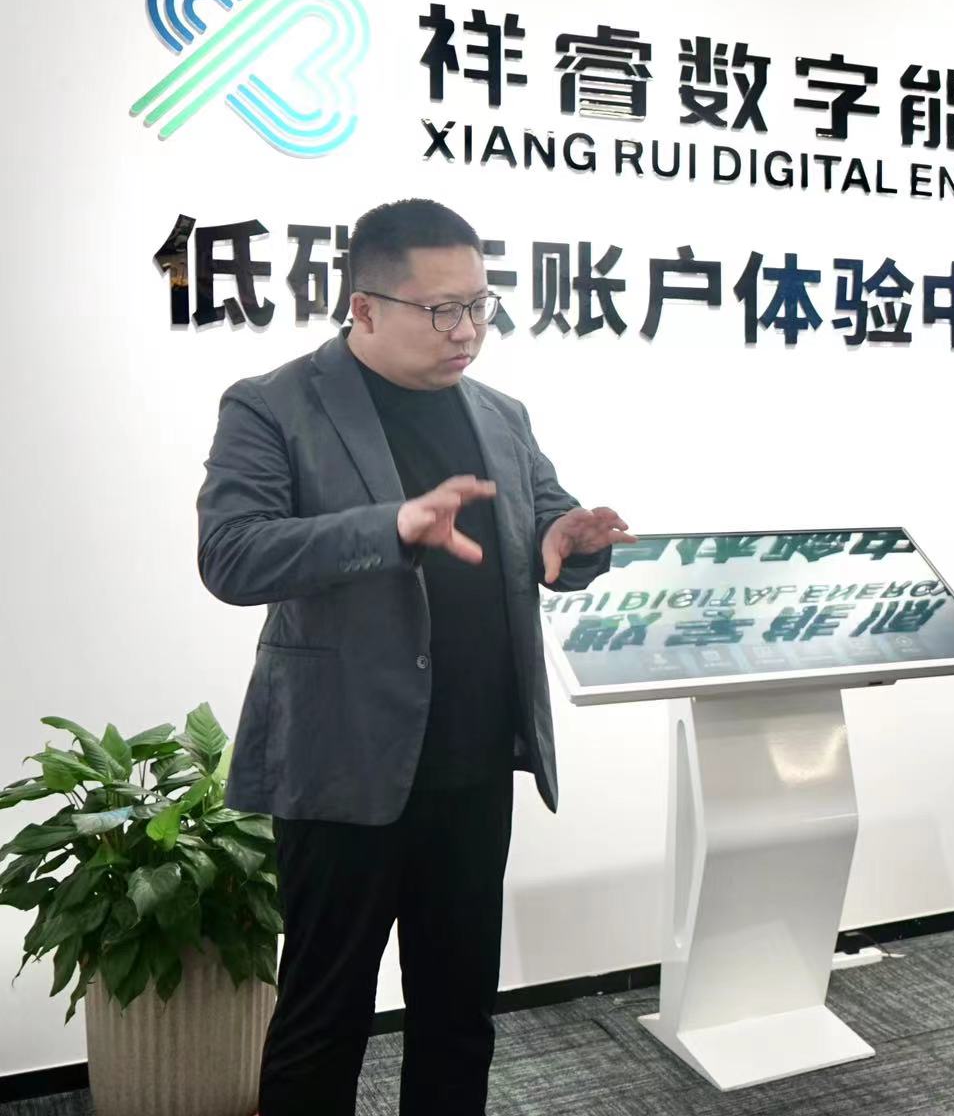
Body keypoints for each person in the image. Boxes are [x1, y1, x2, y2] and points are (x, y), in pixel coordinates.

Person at [195, 199, 634, 1116]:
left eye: (479, 305)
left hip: (474, 761)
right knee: (324, 1019)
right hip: (343, 767)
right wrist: (390, 526)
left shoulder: (501, 414)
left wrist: (571, 539)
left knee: (459, 1012)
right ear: (363, 307)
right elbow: (231, 555)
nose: (467, 330)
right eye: (441, 310)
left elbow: (545, 516)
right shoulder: (273, 405)